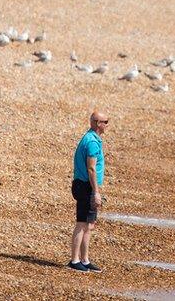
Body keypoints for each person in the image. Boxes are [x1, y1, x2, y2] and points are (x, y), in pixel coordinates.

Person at [69, 111, 109, 273]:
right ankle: (74, 260)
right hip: (85, 186)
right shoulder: (91, 142)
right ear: (97, 123)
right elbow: (91, 168)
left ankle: (85, 260)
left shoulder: (93, 139)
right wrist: (96, 192)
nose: (107, 124)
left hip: (87, 186)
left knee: (90, 225)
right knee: (82, 223)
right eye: (105, 121)